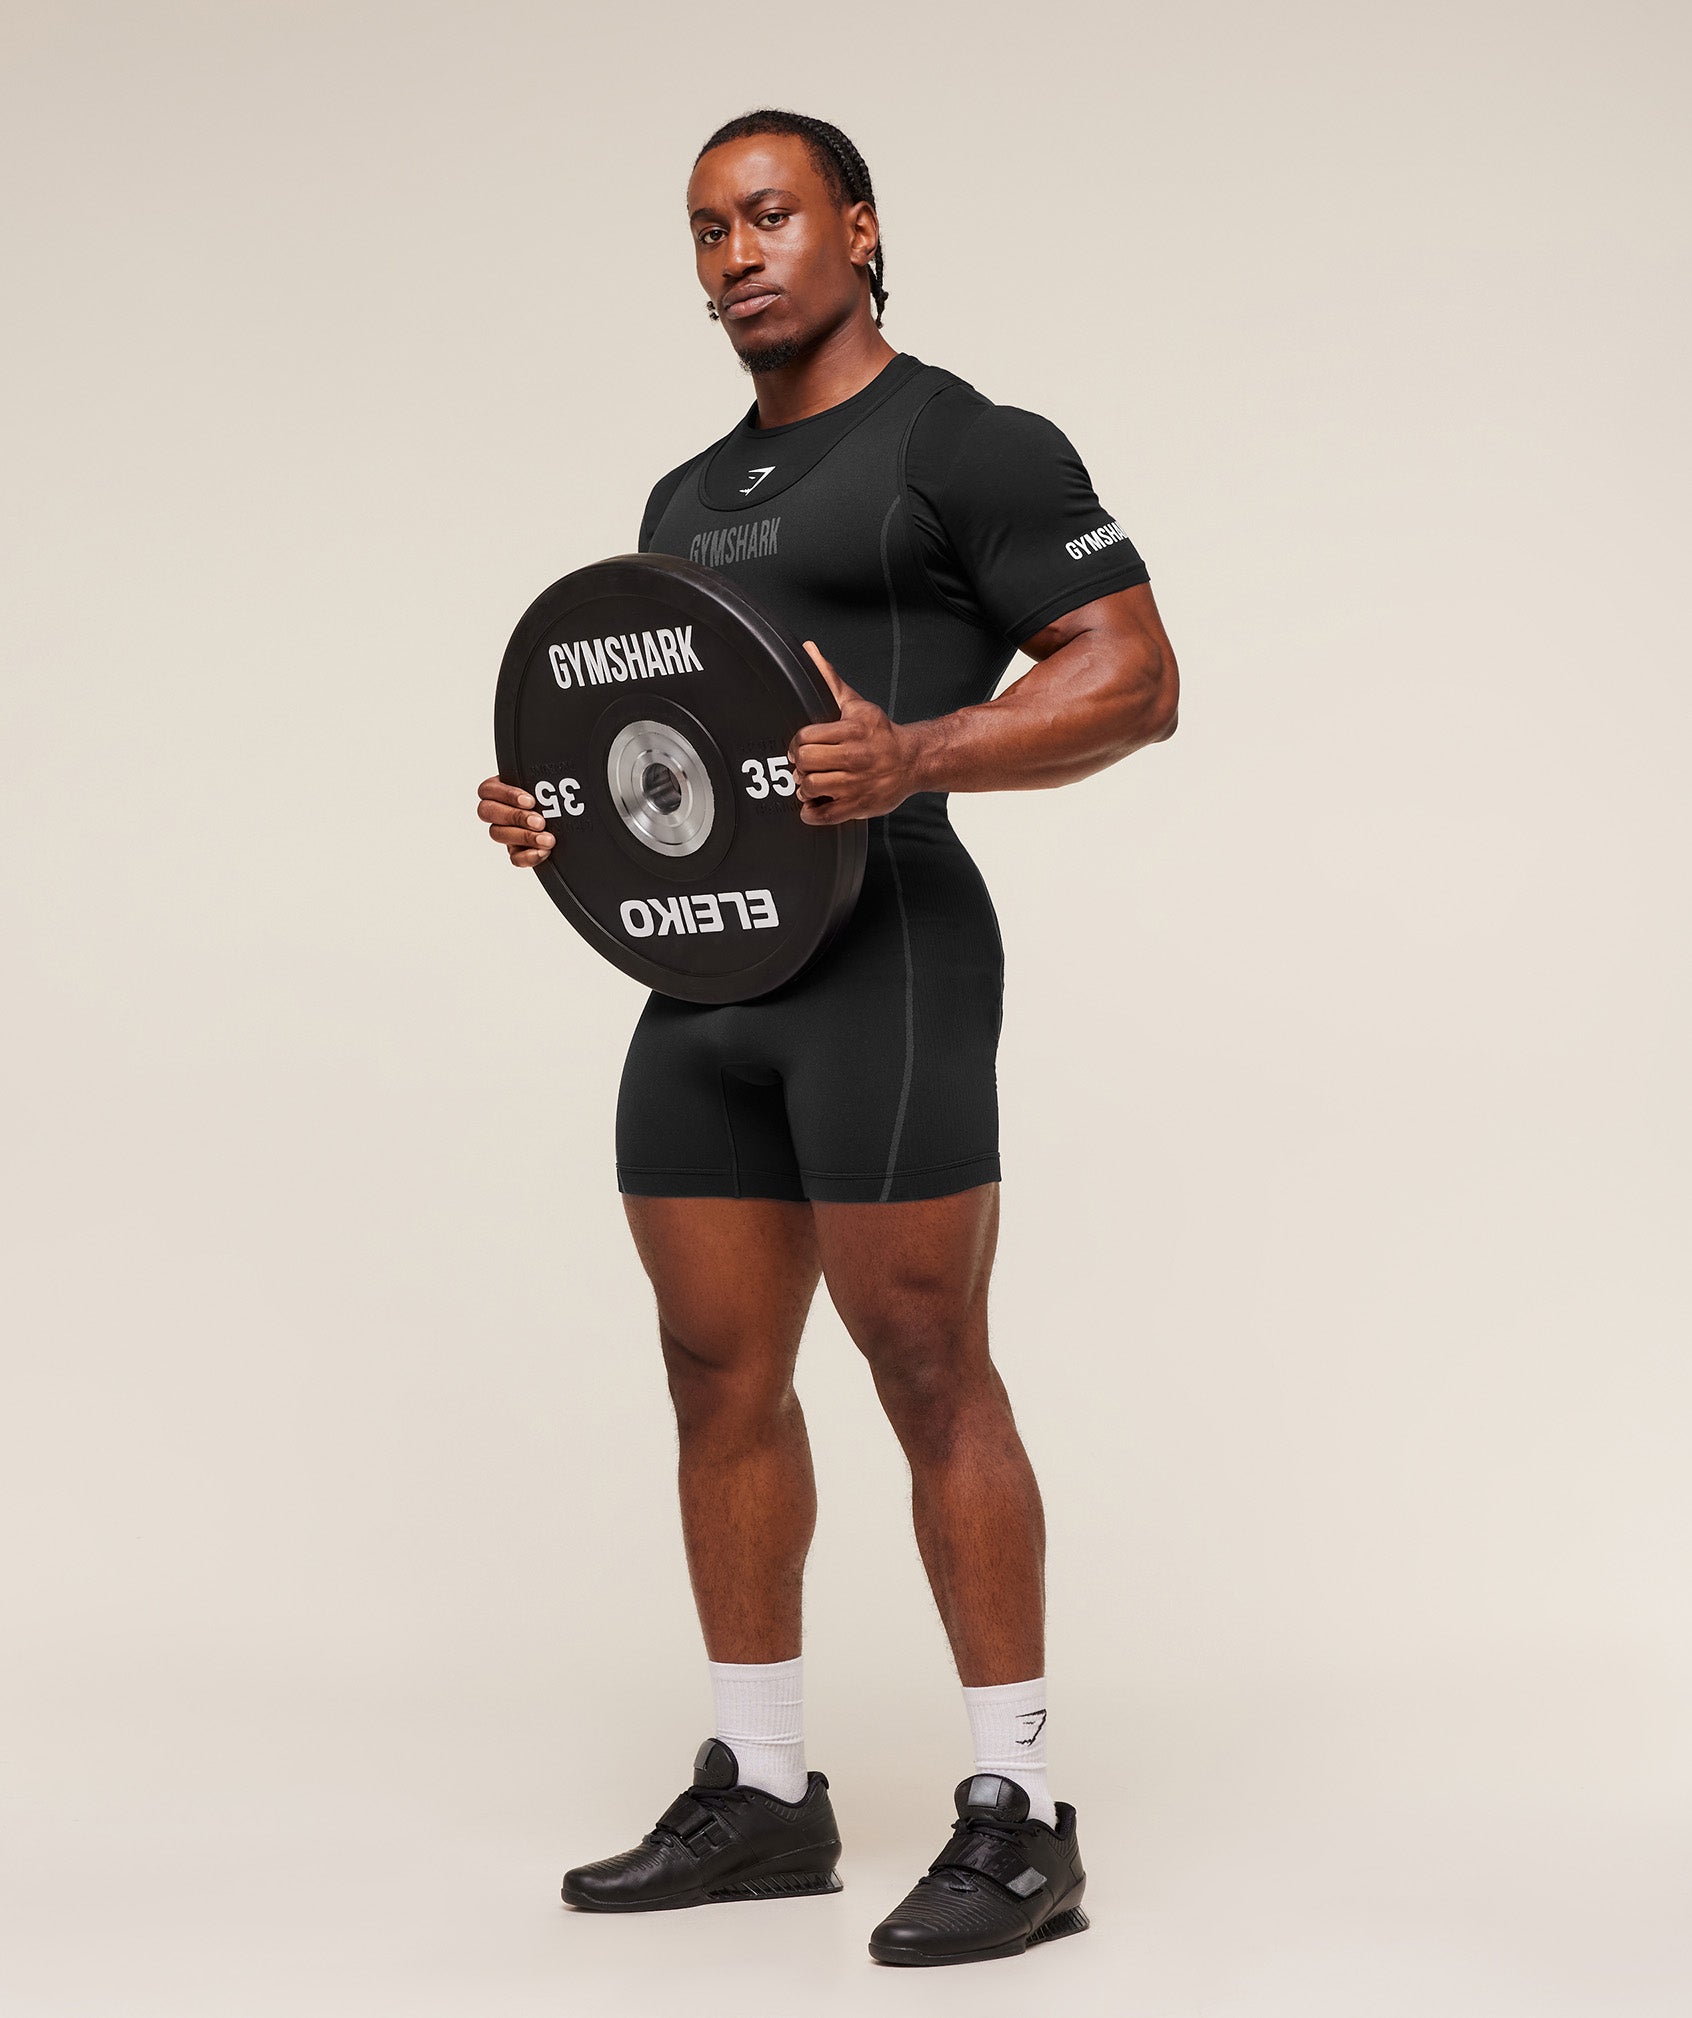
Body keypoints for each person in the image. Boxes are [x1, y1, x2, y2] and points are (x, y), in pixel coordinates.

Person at [475, 108, 1178, 1967]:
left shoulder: (970, 443)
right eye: (707, 229)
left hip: (892, 961)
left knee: (927, 1363)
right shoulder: (683, 500)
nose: (737, 255)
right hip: (704, 985)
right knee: (716, 1371)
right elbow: (683, 758)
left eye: (771, 214)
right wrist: (566, 810)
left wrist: (920, 749)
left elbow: (1136, 676)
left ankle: (1021, 1810)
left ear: (859, 230)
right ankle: (767, 1791)